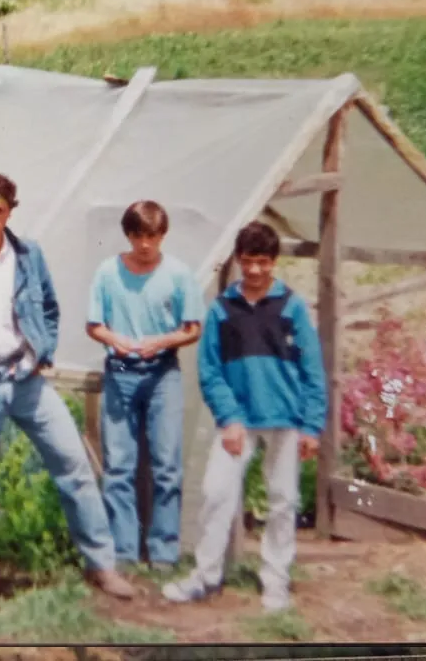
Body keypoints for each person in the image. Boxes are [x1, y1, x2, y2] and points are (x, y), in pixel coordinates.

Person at [0, 172, 135, 605]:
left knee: (74, 465)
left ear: (10, 211)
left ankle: (101, 565)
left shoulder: (29, 255)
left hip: (27, 380)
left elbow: (50, 310)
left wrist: (43, 352)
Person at [162, 221, 327, 613]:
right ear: (238, 260)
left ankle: (276, 580)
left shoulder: (293, 306)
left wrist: (311, 424)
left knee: (283, 500)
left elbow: (313, 370)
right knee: (217, 493)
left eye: (263, 262)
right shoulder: (222, 310)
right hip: (238, 421)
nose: (254, 271)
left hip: (286, 418)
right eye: (248, 262)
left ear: (274, 262)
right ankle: (205, 575)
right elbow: (210, 371)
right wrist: (229, 417)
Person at [85, 200, 205, 571]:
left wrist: (162, 342)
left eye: (152, 236)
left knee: (166, 465)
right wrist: (115, 339)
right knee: (119, 465)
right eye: (138, 236)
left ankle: (164, 551)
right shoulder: (108, 272)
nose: (145, 244)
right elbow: (93, 324)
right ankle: (124, 551)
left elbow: (192, 328)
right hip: (120, 369)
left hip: (162, 372)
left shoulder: (179, 274)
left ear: (162, 235)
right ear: (129, 235)